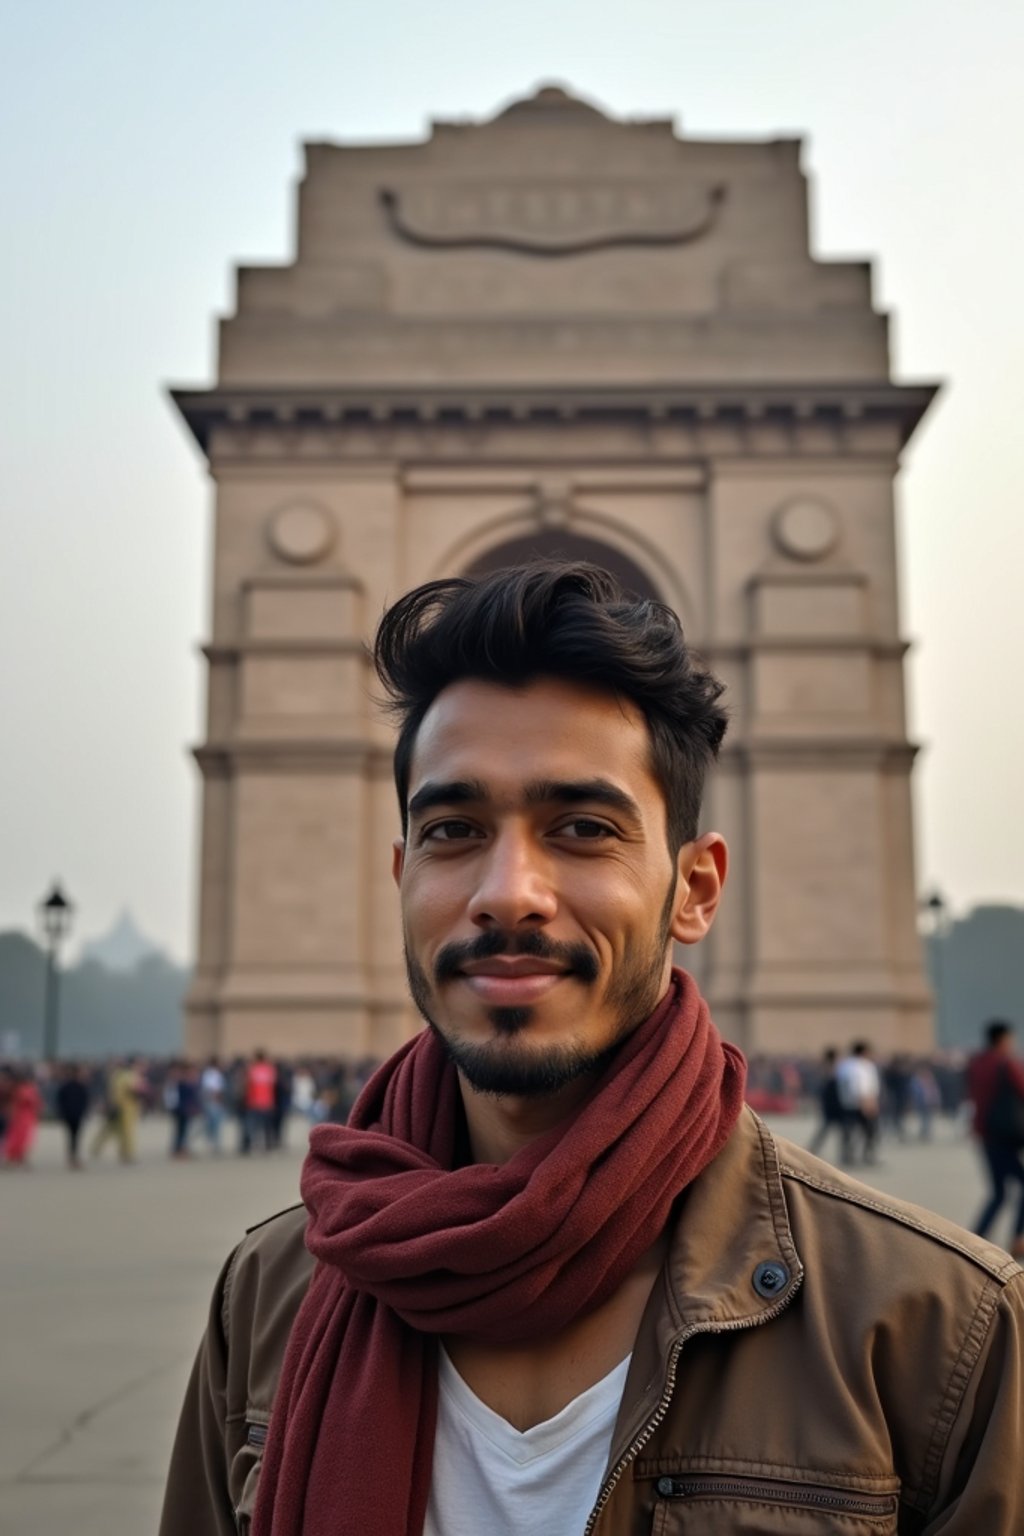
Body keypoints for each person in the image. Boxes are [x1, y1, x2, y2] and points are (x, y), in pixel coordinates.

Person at [161, 562, 1024, 1536]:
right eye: (454, 829)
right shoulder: (268, 1297)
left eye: (581, 828)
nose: (508, 891)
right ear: (400, 875)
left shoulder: (939, 1333)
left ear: (695, 887)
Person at [967, 1019, 1024, 1255]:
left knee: (998, 1192)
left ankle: (974, 1238)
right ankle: (1018, 1239)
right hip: (1007, 1135)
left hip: (985, 1133)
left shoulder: (976, 1063)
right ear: (1003, 1039)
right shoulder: (1007, 1063)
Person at [836, 1039, 882, 1166]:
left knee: (861, 1132)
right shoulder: (855, 1067)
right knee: (860, 1131)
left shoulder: (852, 1065)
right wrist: (866, 1103)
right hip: (859, 1104)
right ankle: (856, 1156)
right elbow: (857, 1087)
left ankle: (858, 1155)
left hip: (858, 1103)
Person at [90, 1057, 143, 1163]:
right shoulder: (130, 1076)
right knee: (126, 1132)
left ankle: (96, 1148)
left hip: (115, 1106)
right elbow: (134, 1090)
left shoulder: (116, 1075)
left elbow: (110, 1091)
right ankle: (127, 1153)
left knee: (109, 1129)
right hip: (126, 1108)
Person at [807, 1046, 844, 1160]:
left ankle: (813, 1149)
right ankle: (845, 1154)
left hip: (829, 1103)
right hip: (833, 1104)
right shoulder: (833, 1069)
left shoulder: (825, 1069)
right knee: (838, 1130)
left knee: (825, 1129)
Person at [2, 1068, 43, 1166]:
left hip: (27, 1115)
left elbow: (37, 1102)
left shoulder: (29, 1089)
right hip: (20, 1115)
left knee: (25, 1137)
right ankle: (12, 1156)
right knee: (17, 1137)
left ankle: (20, 1156)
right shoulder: (19, 1089)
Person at [55, 1062, 91, 1169]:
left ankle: (73, 1157)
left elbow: (85, 1101)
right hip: (73, 1115)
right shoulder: (76, 1086)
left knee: (73, 1137)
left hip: (73, 1115)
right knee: (74, 1137)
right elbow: (61, 1101)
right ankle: (73, 1158)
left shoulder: (73, 1086)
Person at [244, 1050, 277, 1152]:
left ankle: (251, 1145)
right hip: (267, 1102)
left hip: (254, 1102)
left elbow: (248, 1086)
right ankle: (268, 1145)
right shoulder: (270, 1070)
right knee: (266, 1126)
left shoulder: (252, 1069)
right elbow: (273, 1086)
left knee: (252, 1126)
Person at [199, 1056, 227, 1152]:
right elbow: (212, 1089)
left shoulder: (213, 1073)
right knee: (214, 1124)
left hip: (214, 1101)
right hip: (213, 1102)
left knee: (213, 1123)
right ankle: (213, 1143)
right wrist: (215, 1100)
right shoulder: (212, 1074)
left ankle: (213, 1142)